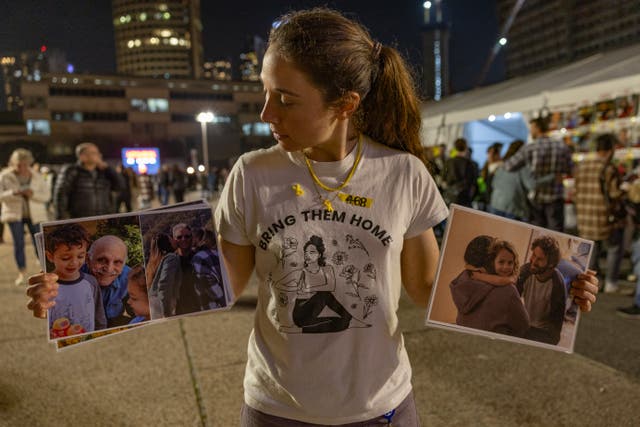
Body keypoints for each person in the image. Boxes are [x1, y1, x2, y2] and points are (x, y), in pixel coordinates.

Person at [26, 8, 599, 426]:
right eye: (266, 93)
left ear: (345, 103)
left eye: (286, 99)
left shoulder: (403, 173)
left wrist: (556, 292)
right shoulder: (253, 172)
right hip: (277, 409)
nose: (266, 111)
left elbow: (430, 287)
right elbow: (222, 282)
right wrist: (71, 287)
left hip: (383, 409)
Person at [574, 133, 626, 293]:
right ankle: (610, 283)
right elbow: (614, 194)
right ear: (610, 150)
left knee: (592, 252)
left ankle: (592, 283)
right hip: (604, 218)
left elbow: (575, 191)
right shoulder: (608, 168)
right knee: (614, 247)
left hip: (584, 217)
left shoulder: (581, 167)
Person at [450, 236, 530, 337]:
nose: (506, 266)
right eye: (500, 261)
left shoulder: (463, 278)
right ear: (491, 261)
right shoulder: (507, 290)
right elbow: (524, 325)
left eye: (510, 262)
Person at [503, 117, 572, 231]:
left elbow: (509, 166)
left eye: (531, 128)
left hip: (536, 198)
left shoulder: (530, 148)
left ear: (537, 128)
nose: (530, 131)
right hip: (556, 196)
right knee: (558, 233)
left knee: (538, 234)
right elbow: (569, 169)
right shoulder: (561, 146)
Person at [45, 223, 106, 337]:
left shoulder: (91, 282)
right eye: (66, 258)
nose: (74, 263)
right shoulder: (46, 286)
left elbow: (99, 315)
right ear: (50, 256)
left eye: (80, 256)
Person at [0, 148, 51, 285]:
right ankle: (21, 272)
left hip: (35, 215)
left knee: (39, 244)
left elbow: (47, 196)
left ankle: (44, 271)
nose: (21, 167)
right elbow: (1, 195)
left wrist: (32, 194)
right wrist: (14, 193)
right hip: (14, 214)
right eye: (18, 164)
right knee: (19, 244)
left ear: (29, 163)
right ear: (12, 163)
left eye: (25, 164)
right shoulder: (5, 176)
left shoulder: (37, 176)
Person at [516, 235, 567, 345]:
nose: (533, 261)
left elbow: (555, 333)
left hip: (542, 333)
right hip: (524, 324)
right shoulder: (525, 272)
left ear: (551, 264)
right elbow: (510, 302)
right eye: (533, 255)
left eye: (540, 259)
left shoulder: (558, 285)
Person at [53, 142, 123, 219]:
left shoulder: (104, 172)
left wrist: (108, 169)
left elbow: (121, 186)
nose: (99, 155)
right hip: (79, 220)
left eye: (98, 153)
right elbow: (61, 195)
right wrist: (61, 220)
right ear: (82, 156)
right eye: (94, 153)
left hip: (103, 219)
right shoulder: (71, 171)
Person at [146, 232, 182, 319]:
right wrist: (167, 312)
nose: (175, 240)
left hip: (154, 303)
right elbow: (164, 284)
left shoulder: (153, 262)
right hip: (162, 304)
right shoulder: (171, 258)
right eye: (171, 238)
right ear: (168, 243)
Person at [191, 228, 225, 309]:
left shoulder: (199, 258)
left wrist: (224, 303)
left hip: (214, 306)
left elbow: (209, 284)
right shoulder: (220, 254)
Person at [443, 138, 478, 207]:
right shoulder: (471, 164)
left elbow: (443, 180)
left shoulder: (449, 162)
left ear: (455, 147)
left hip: (450, 197)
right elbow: (473, 185)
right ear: (465, 147)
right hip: (464, 199)